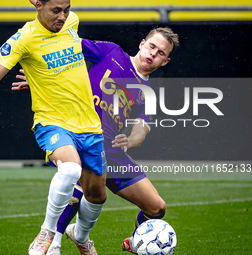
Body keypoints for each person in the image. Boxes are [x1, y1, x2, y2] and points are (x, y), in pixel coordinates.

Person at [0, 1, 108, 255]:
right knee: (71, 168)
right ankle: (47, 233)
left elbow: (62, 68)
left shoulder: (72, 22)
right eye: (56, 11)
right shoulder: (23, 39)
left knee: (96, 196)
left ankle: (81, 236)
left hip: (90, 125)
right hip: (52, 122)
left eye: (67, 9)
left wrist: (41, 79)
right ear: (37, 4)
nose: (63, 16)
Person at [12, 27, 179, 254]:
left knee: (157, 208)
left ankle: (136, 241)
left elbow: (142, 129)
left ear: (165, 61)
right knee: (78, 183)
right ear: (142, 43)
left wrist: (130, 140)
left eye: (160, 53)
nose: (153, 53)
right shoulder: (111, 52)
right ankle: (53, 242)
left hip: (114, 151)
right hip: (84, 135)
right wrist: (41, 80)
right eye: (152, 46)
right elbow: (65, 47)